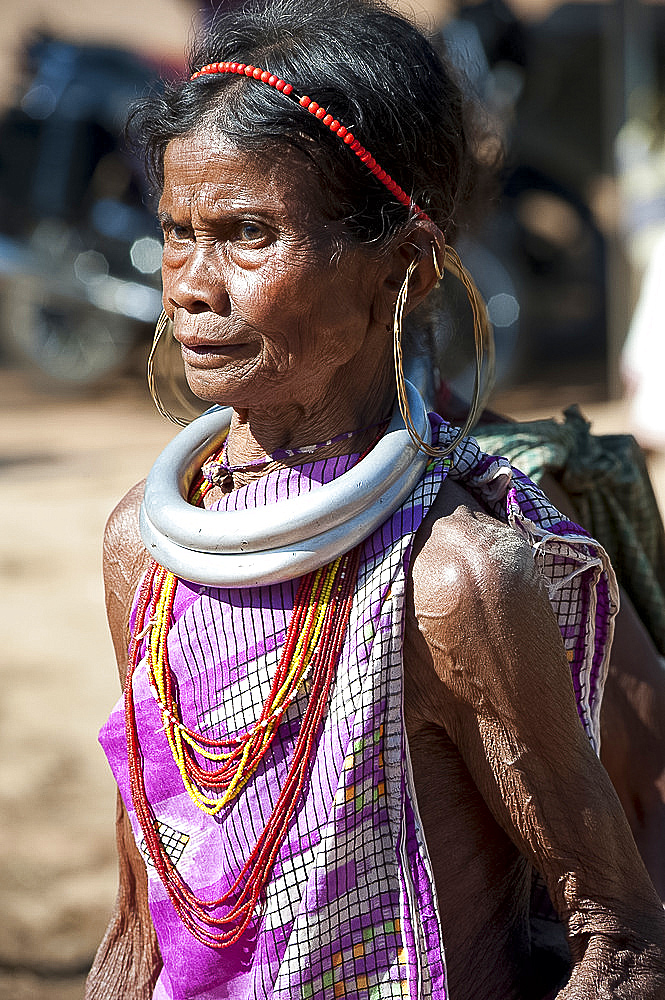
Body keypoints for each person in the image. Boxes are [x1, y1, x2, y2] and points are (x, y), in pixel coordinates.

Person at [86, 2, 665, 998]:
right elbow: (138, 933)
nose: (188, 283)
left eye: (247, 233)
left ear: (404, 263)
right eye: (178, 232)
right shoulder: (146, 551)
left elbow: (621, 944)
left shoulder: (456, 581)